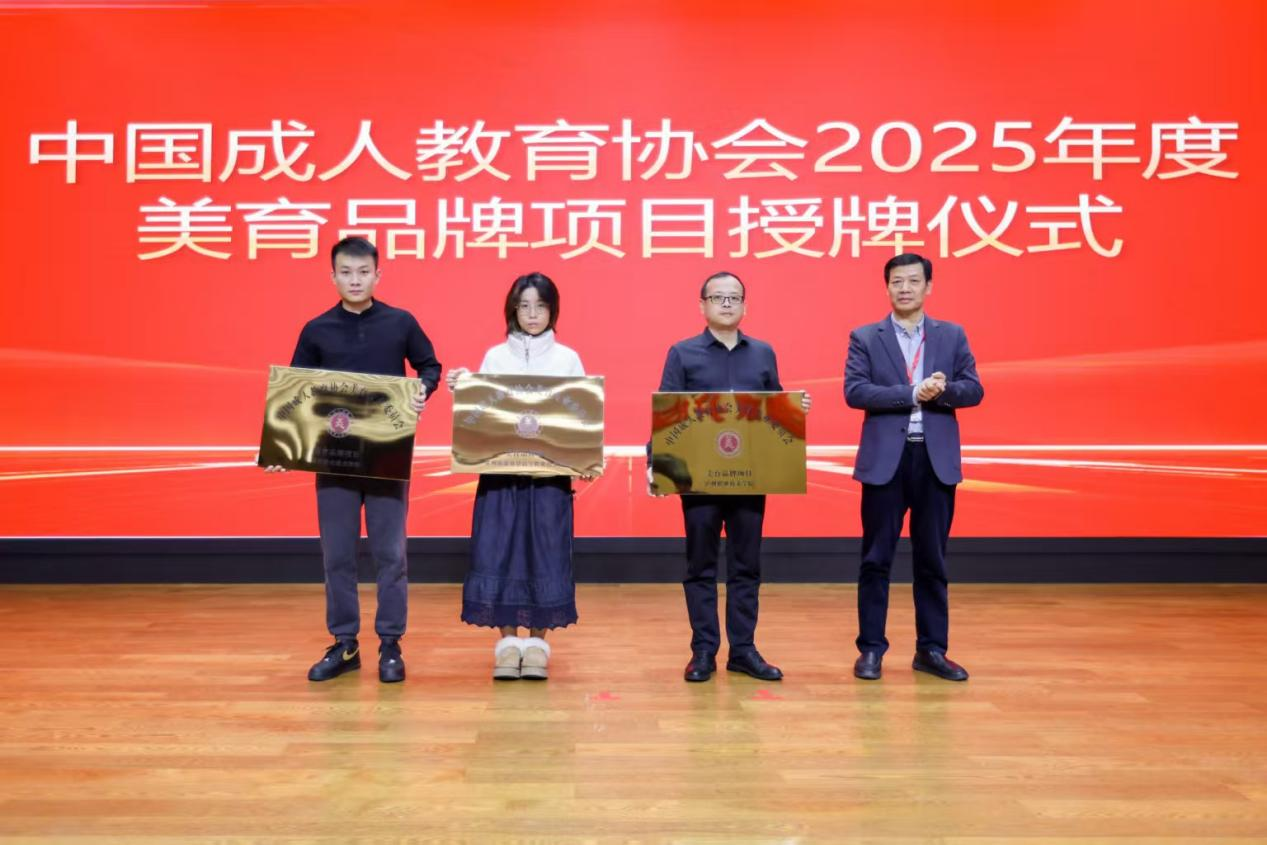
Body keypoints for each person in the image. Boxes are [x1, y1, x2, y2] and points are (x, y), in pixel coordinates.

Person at [264, 236, 440, 684]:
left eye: (364, 272)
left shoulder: (400, 322)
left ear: (378, 275)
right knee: (338, 555)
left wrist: (421, 390)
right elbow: (295, 393)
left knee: (390, 555)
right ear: (333, 276)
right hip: (334, 460)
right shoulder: (316, 329)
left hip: (385, 457)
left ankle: (390, 644)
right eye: (346, 272)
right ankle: (345, 643)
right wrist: (282, 447)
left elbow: (430, 366)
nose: (355, 280)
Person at [655, 271, 812, 683]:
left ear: (745, 305)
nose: (726, 304)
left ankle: (743, 650)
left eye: (734, 297)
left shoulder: (762, 353)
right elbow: (667, 412)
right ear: (702, 305)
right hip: (699, 479)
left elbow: (775, 409)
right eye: (718, 297)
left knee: (746, 567)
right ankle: (703, 650)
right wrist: (659, 464)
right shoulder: (682, 353)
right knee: (701, 567)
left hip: (749, 476)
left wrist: (795, 408)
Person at [844, 253, 983, 682]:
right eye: (896, 281)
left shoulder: (952, 334)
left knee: (932, 560)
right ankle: (871, 650)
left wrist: (942, 392)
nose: (904, 288)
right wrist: (910, 393)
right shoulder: (866, 336)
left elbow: (974, 389)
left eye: (913, 281)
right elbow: (855, 391)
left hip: (934, 461)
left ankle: (932, 650)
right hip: (886, 462)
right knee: (876, 559)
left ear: (928, 287)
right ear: (886, 287)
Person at [446, 272, 591, 681]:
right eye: (524, 306)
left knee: (546, 554)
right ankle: (508, 644)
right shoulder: (495, 357)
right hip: (501, 478)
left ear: (552, 310)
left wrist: (584, 457)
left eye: (540, 306)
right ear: (513, 309)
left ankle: (538, 646)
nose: (532, 314)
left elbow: (581, 417)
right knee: (499, 552)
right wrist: (465, 388)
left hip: (549, 481)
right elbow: (481, 419)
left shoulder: (567, 359)